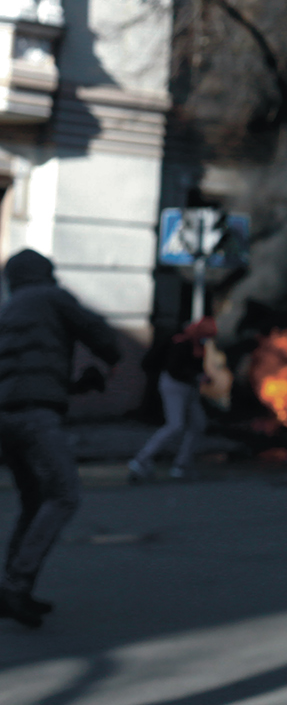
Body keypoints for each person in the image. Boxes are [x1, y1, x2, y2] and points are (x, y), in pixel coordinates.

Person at [0, 249, 123, 628]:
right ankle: (14, 584)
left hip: (6, 418)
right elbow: (104, 338)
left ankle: (14, 585)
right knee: (64, 494)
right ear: (44, 274)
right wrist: (108, 358)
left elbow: (25, 375)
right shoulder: (52, 298)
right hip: (36, 417)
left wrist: (74, 385)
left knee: (35, 499)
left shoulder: (7, 311)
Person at [129, 316, 217, 482]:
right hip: (175, 386)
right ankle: (141, 460)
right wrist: (197, 377)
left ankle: (182, 465)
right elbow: (175, 369)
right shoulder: (182, 343)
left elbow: (195, 365)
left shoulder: (198, 344)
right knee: (175, 425)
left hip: (189, 387)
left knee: (198, 424)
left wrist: (199, 376)